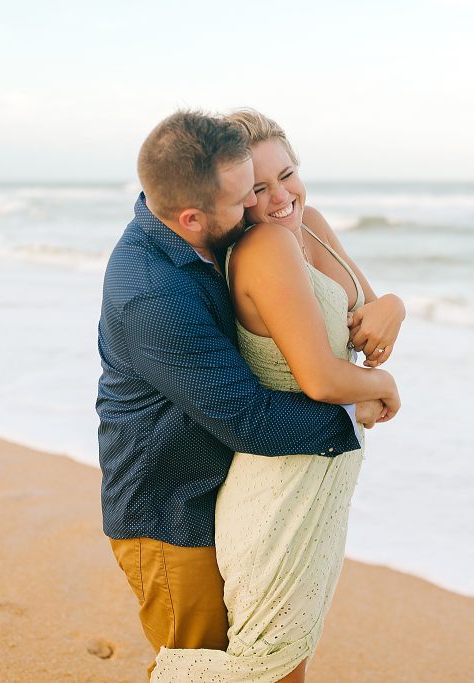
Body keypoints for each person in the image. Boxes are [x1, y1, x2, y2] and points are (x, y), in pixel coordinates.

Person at [96, 110, 385, 680]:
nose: (264, 205)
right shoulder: (152, 292)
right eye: (247, 195)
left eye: (282, 176)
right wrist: (361, 402)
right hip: (169, 507)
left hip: (225, 483)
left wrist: (387, 308)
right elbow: (254, 419)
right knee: (210, 666)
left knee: (265, 660)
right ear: (193, 214)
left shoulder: (198, 223)